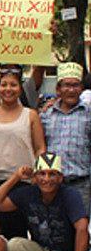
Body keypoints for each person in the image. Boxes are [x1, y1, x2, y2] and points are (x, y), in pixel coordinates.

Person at [0, 65, 45, 239]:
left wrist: (38, 172)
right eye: (3, 85)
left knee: (20, 233)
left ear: (20, 89)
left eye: (13, 85)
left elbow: (40, 147)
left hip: (24, 181)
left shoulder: (30, 115)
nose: (8, 89)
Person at [41, 62, 91, 208]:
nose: (71, 90)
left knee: (81, 227)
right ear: (58, 89)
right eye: (66, 85)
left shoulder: (88, 113)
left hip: (82, 184)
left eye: (76, 85)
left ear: (81, 88)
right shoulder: (46, 115)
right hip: (51, 185)